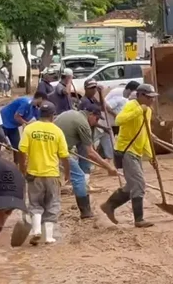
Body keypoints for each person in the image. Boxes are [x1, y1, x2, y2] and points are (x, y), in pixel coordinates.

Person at [100, 84, 159, 229]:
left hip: (137, 152)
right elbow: (119, 120)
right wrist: (139, 110)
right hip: (126, 151)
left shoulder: (148, 111)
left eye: (153, 98)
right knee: (138, 183)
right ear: (140, 96)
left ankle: (109, 205)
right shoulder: (132, 106)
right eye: (149, 98)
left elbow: (144, 134)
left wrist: (151, 156)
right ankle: (139, 219)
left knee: (133, 184)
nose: (152, 101)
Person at [18, 101, 70, 245]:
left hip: (34, 173)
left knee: (35, 203)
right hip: (52, 174)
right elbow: (64, 156)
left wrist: (23, 168)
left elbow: (22, 151)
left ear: (39, 114)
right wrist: (67, 173)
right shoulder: (57, 131)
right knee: (52, 204)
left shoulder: (30, 129)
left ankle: (36, 230)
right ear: (53, 116)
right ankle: (48, 237)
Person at [54, 105, 118, 219]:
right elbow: (90, 153)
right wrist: (108, 167)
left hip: (50, 148)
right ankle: (85, 212)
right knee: (79, 177)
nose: (96, 123)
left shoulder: (71, 113)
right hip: (57, 152)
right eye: (96, 119)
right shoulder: (83, 124)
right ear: (91, 114)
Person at [0, 91, 45, 158]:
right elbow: (17, 116)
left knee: (17, 147)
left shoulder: (35, 107)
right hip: (4, 122)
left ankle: (16, 165)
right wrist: (26, 124)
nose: (43, 104)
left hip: (13, 126)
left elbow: (39, 120)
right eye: (44, 101)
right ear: (40, 99)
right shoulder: (26, 102)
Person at [80, 80, 114, 162]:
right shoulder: (85, 101)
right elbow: (90, 120)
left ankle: (108, 158)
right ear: (86, 89)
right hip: (86, 128)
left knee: (105, 135)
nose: (93, 90)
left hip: (93, 126)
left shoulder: (92, 98)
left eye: (94, 88)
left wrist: (100, 93)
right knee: (87, 148)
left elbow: (102, 107)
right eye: (91, 88)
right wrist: (103, 127)